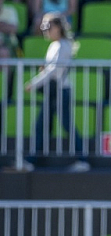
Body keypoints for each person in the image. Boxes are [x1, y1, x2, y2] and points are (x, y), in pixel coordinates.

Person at [22, 12, 89, 173]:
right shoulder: (55, 45)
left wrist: (34, 83)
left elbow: (53, 71)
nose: (46, 30)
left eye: (49, 26)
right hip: (54, 91)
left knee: (66, 126)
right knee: (42, 125)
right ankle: (31, 160)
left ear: (58, 27)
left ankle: (83, 159)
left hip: (60, 92)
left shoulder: (63, 45)